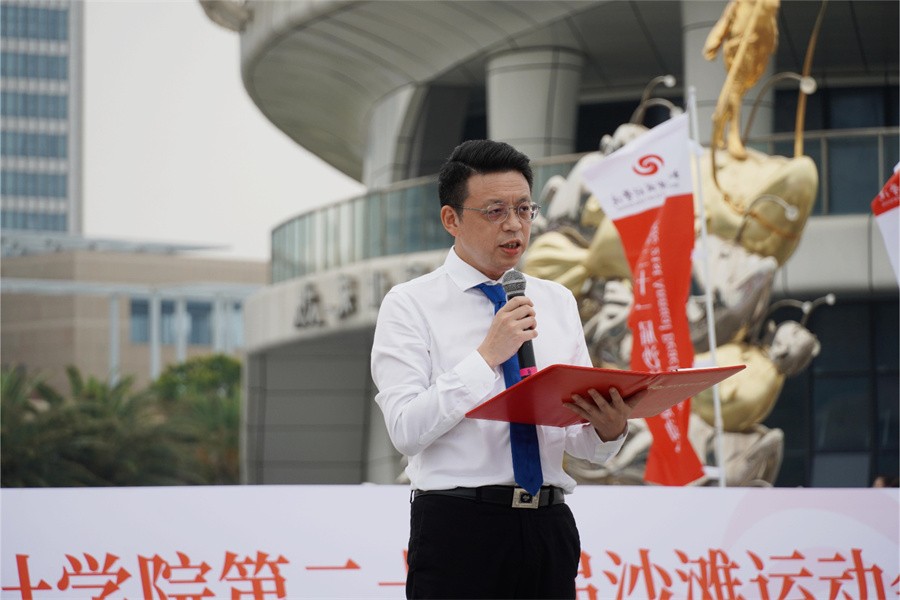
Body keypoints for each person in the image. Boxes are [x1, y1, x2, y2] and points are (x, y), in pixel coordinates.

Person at [371, 139, 633, 599]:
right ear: (451, 219)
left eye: (524, 209)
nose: (514, 224)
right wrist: (487, 356)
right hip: (460, 528)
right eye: (495, 211)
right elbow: (406, 430)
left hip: (549, 524)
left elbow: (579, 441)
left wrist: (608, 430)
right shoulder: (410, 304)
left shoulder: (557, 300)